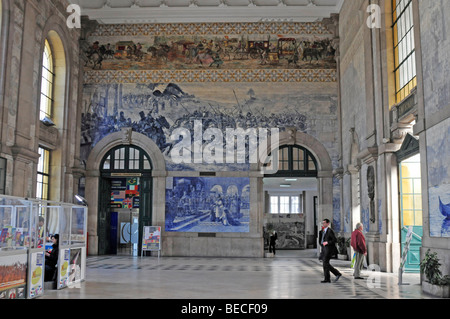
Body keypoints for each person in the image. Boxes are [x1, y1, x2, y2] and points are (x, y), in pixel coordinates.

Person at [319, 219, 342, 283]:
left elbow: (334, 240)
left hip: (329, 250)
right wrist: (322, 245)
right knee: (325, 264)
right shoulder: (321, 231)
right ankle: (331, 277)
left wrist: (327, 242)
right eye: (322, 223)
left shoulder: (330, 231)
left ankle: (330, 277)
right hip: (324, 249)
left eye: (324, 223)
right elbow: (320, 240)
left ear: (328, 224)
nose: (323, 224)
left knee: (325, 263)